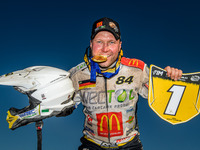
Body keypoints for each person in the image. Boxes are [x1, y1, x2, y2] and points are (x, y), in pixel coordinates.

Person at [65, 17, 182, 150]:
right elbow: (61, 107)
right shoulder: (77, 74)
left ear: (120, 45)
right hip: (92, 144)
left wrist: (170, 77)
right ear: (91, 44)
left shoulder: (137, 69)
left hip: (129, 145)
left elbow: (165, 97)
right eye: (99, 42)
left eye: (111, 42)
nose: (105, 48)